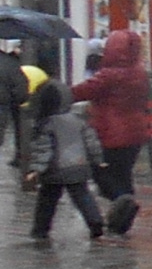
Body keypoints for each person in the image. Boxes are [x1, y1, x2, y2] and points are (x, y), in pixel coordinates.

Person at [76, 29, 151, 235]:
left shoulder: (108, 75)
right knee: (123, 173)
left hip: (110, 132)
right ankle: (122, 218)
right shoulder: (140, 73)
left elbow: (84, 90)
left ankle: (122, 201)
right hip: (136, 131)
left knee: (100, 171)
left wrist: (60, 94)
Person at [22, 81, 106, 246]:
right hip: (78, 166)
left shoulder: (47, 124)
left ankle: (41, 229)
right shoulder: (78, 120)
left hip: (55, 170)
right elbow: (91, 142)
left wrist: (36, 169)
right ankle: (95, 221)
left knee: (47, 201)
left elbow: (44, 150)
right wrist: (98, 160)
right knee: (83, 196)